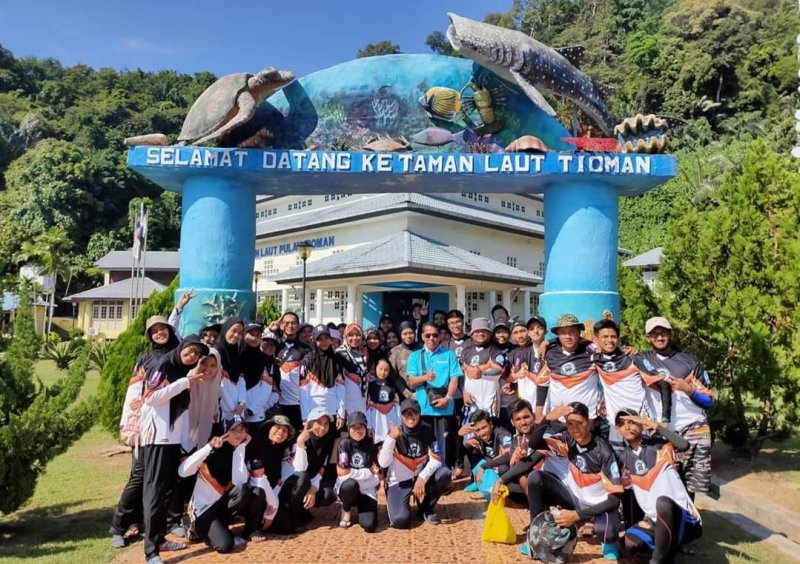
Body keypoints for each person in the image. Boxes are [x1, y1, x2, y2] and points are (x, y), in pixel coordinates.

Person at [518, 402, 623, 560]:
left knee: (605, 531)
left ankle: (608, 540)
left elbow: (614, 501)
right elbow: (534, 443)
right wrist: (546, 419)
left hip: (600, 508)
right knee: (535, 478)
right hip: (574, 501)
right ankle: (537, 536)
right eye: (570, 424)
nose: (575, 429)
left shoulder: (604, 451)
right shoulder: (567, 439)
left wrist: (576, 515)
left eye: (579, 423)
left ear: (589, 422)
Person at [111, 315, 180, 549]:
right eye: (155, 331)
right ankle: (119, 526)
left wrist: (178, 310)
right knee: (138, 478)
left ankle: (159, 534)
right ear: (149, 335)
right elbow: (133, 393)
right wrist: (130, 425)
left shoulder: (178, 353)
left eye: (164, 329)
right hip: (146, 428)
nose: (160, 333)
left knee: (163, 483)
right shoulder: (145, 358)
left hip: (170, 428)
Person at [140, 335, 208, 564]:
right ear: (182, 347)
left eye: (197, 354)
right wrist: (184, 383)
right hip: (157, 438)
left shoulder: (182, 371)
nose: (192, 356)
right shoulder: (164, 365)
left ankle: (159, 539)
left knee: (166, 492)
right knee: (155, 494)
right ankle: (151, 551)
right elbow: (150, 397)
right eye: (190, 350)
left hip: (171, 439)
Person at [615, 409, 702, 563]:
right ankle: (661, 553)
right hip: (654, 521)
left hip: (684, 519)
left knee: (662, 502)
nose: (627, 427)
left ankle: (659, 560)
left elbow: (684, 444)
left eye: (632, 421)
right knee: (628, 544)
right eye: (621, 424)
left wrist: (652, 424)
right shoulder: (624, 457)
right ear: (617, 430)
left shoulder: (660, 446)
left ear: (641, 425)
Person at [641, 316, 713, 498]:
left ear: (671, 334)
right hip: (663, 432)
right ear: (647, 337)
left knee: (690, 488)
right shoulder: (641, 360)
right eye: (654, 334)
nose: (659, 337)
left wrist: (689, 390)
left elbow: (709, 401)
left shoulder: (689, 362)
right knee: (665, 484)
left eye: (663, 333)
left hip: (694, 428)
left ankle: (690, 524)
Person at [178, 415, 262, 553]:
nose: (239, 434)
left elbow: (239, 482)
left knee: (248, 491)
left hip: (221, 507)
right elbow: (183, 471)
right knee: (225, 546)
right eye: (234, 430)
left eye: (243, 430)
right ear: (225, 431)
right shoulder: (211, 450)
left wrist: (241, 447)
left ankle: (239, 530)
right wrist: (210, 447)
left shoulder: (239, 450)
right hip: (203, 511)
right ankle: (193, 527)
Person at [591, 319, 671, 450]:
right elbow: (574, 342)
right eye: (605, 337)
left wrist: (665, 420)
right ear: (596, 340)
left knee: (647, 466)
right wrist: (546, 343)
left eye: (613, 336)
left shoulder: (633, 358)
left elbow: (664, 384)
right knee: (620, 467)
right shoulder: (595, 359)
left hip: (641, 423)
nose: (609, 340)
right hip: (616, 425)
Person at [379, 399, 452, 527]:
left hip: (419, 477)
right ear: (401, 416)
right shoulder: (396, 432)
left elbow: (437, 459)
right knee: (400, 521)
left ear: (419, 414)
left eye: (414, 413)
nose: (410, 417)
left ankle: (425, 508)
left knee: (445, 473)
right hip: (399, 482)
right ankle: (401, 504)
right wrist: (391, 438)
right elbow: (383, 463)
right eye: (406, 414)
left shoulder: (427, 430)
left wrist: (422, 478)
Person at [406, 322, 463, 469]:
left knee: (444, 444)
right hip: (423, 409)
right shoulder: (415, 356)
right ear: (422, 337)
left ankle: (444, 474)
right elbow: (412, 381)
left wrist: (447, 398)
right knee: (423, 444)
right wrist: (425, 378)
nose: (431, 338)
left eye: (435, 335)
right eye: (428, 335)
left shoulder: (449, 355)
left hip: (445, 407)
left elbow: (454, 379)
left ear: (440, 337)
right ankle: (423, 476)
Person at [278, 407, 337, 531]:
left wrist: (313, 489)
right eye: (319, 423)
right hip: (287, 484)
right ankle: (294, 517)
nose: (322, 427)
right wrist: (300, 444)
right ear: (310, 423)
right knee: (303, 477)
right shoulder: (297, 439)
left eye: (326, 424)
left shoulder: (325, 441)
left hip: (306, 482)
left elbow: (322, 468)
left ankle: (300, 508)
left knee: (328, 494)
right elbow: (300, 469)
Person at [541, 314, 600, 425]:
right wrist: (540, 414)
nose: (568, 336)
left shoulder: (591, 352)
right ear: (558, 334)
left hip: (587, 421)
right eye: (563, 332)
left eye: (572, 331)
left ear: (579, 332)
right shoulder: (550, 353)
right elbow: (541, 384)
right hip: (558, 420)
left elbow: (608, 352)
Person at [250, 415, 295, 535]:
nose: (281, 432)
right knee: (258, 493)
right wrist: (272, 502)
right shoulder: (257, 445)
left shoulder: (280, 447)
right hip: (256, 491)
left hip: (272, 491)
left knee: (286, 527)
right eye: (278, 427)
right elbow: (258, 478)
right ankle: (252, 529)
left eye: (285, 430)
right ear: (269, 428)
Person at [241, 323, 279, 463]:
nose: (255, 338)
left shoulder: (266, 361)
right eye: (251, 334)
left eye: (258, 335)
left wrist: (252, 409)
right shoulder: (239, 355)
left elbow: (268, 389)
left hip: (255, 415)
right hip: (236, 412)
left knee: (255, 452)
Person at [336, 411, 380, 532]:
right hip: (349, 489)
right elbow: (344, 473)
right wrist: (368, 473)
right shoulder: (343, 444)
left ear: (366, 428)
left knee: (369, 525)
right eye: (353, 427)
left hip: (367, 491)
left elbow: (377, 478)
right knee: (350, 484)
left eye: (361, 427)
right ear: (348, 429)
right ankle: (346, 510)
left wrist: (360, 476)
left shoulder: (371, 446)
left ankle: (363, 509)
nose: (357, 430)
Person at [441, 309, 472, 477]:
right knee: (450, 431)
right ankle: (452, 464)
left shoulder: (472, 341)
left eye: (457, 322)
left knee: (465, 430)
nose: (455, 325)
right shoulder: (445, 345)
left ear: (462, 321)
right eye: (451, 323)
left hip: (469, 394)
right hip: (452, 395)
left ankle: (463, 465)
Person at [299, 325, 345, 427]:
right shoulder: (308, 360)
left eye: (326, 338)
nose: (324, 342)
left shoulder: (337, 359)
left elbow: (341, 389)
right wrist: (305, 417)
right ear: (314, 341)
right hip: (313, 411)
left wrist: (341, 414)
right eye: (320, 339)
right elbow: (303, 392)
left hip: (333, 411)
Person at [459, 409, 513, 497]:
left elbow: (509, 454)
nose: (482, 433)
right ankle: (477, 482)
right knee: (471, 448)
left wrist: (485, 466)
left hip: (498, 465)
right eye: (478, 430)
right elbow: (461, 452)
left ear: (491, 424)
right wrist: (459, 437)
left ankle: (488, 488)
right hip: (487, 465)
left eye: (484, 427)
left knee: (503, 468)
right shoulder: (477, 437)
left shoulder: (502, 433)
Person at [461, 318, 505, 421]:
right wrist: (464, 393)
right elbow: (462, 375)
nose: (480, 333)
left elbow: (498, 370)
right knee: (470, 431)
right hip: (470, 399)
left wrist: (481, 373)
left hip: (489, 400)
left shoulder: (495, 350)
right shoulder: (466, 351)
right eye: (477, 331)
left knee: (489, 430)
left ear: (490, 333)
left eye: (484, 331)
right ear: (472, 334)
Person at [505, 317, 548, 424]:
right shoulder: (514, 353)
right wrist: (512, 380)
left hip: (545, 407)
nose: (520, 335)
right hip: (524, 407)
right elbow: (508, 376)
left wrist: (546, 342)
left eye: (522, 331)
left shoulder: (548, 349)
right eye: (515, 332)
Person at [276, 312, 311, 431]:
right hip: (277, 402)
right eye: (286, 323)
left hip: (298, 402)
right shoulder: (274, 345)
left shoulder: (306, 348)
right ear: (281, 325)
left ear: (298, 325)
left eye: (293, 323)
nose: (290, 325)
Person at [336, 323, 369, 417]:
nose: (355, 338)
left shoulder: (363, 353)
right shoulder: (340, 353)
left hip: (361, 398)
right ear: (345, 337)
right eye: (351, 335)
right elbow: (339, 379)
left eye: (358, 335)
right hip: (347, 399)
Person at [367, 358, 402, 444]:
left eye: (386, 370)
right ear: (375, 368)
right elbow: (368, 408)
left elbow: (396, 406)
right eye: (380, 369)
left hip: (389, 419)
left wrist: (399, 424)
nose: (383, 372)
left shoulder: (392, 386)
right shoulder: (370, 385)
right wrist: (369, 426)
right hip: (376, 419)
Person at [388, 320, 420, 396]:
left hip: (421, 393)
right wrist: (407, 393)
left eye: (411, 333)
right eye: (405, 334)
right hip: (402, 394)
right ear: (400, 335)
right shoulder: (394, 352)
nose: (408, 336)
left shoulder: (422, 350)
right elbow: (393, 377)